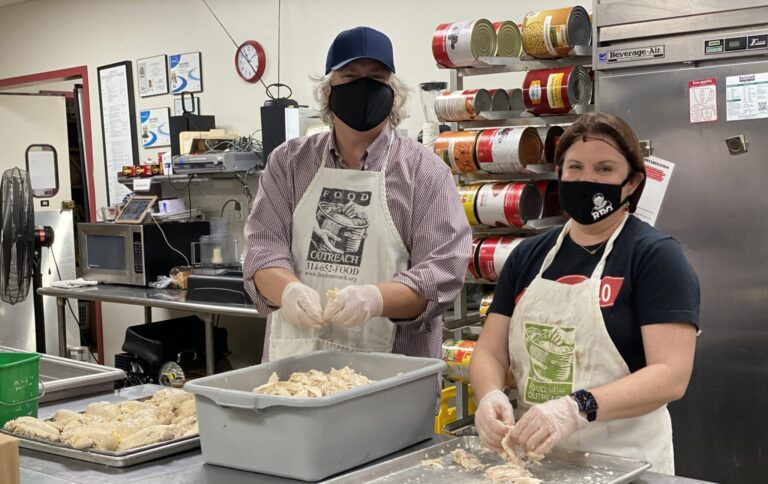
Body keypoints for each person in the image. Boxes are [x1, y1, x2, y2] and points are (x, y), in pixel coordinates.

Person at [469, 112, 700, 475]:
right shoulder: (530, 256)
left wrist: (577, 407)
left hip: (628, 462)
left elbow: (670, 374)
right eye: (575, 167)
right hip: (538, 461)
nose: (586, 179)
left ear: (632, 182)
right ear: (559, 173)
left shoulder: (654, 257)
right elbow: (490, 350)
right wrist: (490, 396)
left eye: (605, 169)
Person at [243, 26, 472, 362]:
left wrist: (375, 299)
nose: (363, 88)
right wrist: (288, 291)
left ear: (394, 93)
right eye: (350, 77)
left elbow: (441, 272)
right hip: (296, 365)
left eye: (376, 79)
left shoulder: (425, 172)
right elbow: (263, 250)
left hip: (393, 373)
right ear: (327, 92)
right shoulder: (289, 163)